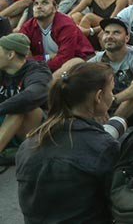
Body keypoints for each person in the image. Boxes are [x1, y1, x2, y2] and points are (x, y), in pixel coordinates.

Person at [14, 62, 119, 224]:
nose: (113, 96)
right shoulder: (103, 145)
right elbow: (119, 201)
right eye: (111, 90)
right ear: (98, 97)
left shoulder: (29, 142)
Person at [0, 32, 51, 162]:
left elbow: (31, 96)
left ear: (10, 55)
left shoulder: (37, 71)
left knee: (20, 107)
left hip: (34, 130)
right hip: (5, 122)